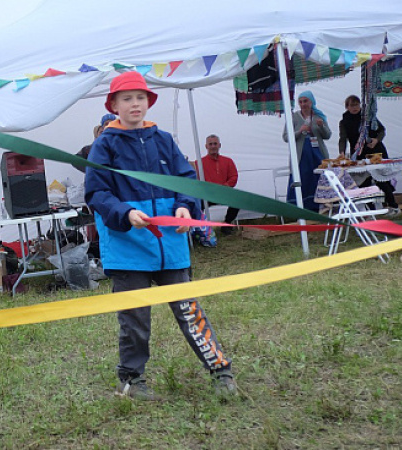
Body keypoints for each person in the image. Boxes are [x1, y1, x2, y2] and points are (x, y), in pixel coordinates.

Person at [84, 71, 237, 401]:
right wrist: (125, 213)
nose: (135, 104)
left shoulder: (164, 139)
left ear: (149, 102)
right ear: (113, 105)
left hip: (170, 244)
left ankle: (220, 371)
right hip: (128, 248)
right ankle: (131, 381)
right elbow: (96, 193)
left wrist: (185, 207)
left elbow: (186, 180)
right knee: (135, 319)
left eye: (140, 97)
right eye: (127, 98)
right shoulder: (104, 145)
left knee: (189, 311)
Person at [338, 94, 400, 216]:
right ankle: (371, 210)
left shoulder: (368, 117)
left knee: (381, 179)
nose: (355, 108)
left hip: (375, 151)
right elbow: (343, 138)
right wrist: (342, 152)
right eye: (352, 105)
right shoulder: (344, 122)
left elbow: (382, 130)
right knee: (364, 182)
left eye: (357, 105)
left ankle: (393, 206)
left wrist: (376, 140)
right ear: (347, 107)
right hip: (359, 153)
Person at [282, 91, 331, 212]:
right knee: (302, 179)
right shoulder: (294, 117)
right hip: (301, 156)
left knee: (318, 178)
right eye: (300, 102)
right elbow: (286, 137)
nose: (303, 104)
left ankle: (321, 207)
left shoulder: (319, 116)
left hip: (317, 155)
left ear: (311, 101)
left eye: (305, 101)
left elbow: (327, 135)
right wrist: (300, 131)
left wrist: (321, 126)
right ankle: (300, 209)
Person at [195, 134, 241, 235]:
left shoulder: (228, 161)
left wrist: (225, 186)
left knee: (238, 200)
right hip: (207, 195)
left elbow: (234, 177)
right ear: (206, 146)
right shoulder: (199, 163)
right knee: (196, 204)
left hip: (224, 193)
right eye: (210, 144)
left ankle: (227, 224)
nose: (213, 146)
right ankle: (200, 229)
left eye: (215, 144)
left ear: (219, 145)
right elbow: (196, 181)